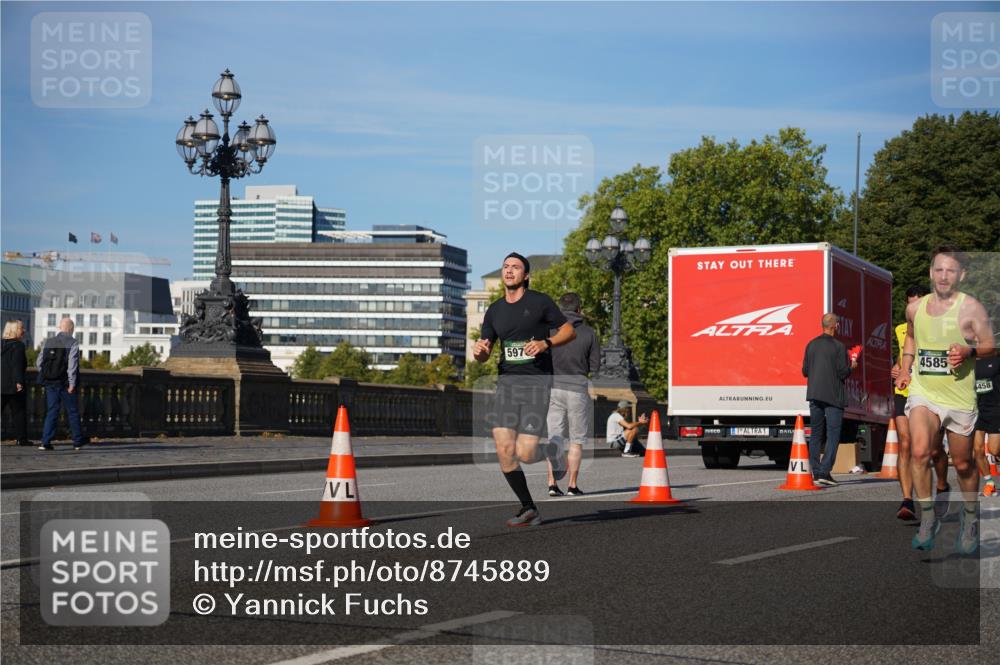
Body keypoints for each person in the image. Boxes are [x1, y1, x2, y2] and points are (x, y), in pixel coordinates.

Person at [896, 246, 995, 553]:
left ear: (961, 275)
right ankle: (928, 518)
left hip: (959, 396)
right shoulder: (915, 309)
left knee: (964, 463)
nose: (943, 276)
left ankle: (970, 517)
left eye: (950, 270)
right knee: (920, 451)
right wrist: (906, 367)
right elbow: (911, 337)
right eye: (938, 269)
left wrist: (969, 351)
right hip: (924, 392)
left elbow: (990, 345)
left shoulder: (972, 309)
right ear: (931, 272)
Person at [474, 253, 575, 527]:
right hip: (507, 384)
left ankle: (553, 451)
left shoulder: (540, 302)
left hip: (536, 383)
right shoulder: (495, 310)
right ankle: (529, 508)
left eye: (515, 267)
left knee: (527, 453)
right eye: (505, 266)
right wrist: (479, 351)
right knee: (504, 449)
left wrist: (546, 343)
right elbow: (484, 352)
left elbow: (569, 331)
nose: (509, 271)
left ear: (526, 275)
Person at [891, 285, 951, 520]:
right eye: (910, 304)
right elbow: (903, 355)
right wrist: (898, 368)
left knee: (934, 449)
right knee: (905, 443)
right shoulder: (901, 329)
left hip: (933, 392)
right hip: (905, 390)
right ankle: (907, 500)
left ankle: (942, 486)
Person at [544, 292, 600, 497]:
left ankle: (552, 484)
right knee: (576, 439)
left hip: (553, 388)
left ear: (560, 310)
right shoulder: (589, 333)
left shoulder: (550, 331)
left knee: (554, 437)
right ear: (579, 309)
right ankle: (572, 486)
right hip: (577, 388)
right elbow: (595, 366)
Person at [802, 312, 857, 486]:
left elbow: (805, 371)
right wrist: (852, 366)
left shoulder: (811, 344)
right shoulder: (839, 347)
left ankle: (816, 472)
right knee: (833, 434)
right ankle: (825, 472)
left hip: (814, 394)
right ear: (835, 326)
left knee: (816, 434)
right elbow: (842, 372)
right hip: (833, 395)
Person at [36, 317, 85, 451]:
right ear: (71, 329)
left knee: (52, 411)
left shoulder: (49, 341)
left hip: (50, 383)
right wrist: (72, 384)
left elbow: (39, 362)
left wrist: (48, 374)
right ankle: (77, 442)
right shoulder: (73, 342)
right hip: (65, 383)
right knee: (72, 412)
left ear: (60, 328)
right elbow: (72, 366)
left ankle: (45, 442)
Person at [974, 312, 1000, 496]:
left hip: (995, 409)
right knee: (976, 450)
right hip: (976, 410)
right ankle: (989, 483)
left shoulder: (996, 358)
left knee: (994, 449)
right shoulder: (970, 361)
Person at [1, 320, 31, 446]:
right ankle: (21, 439)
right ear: (15, 330)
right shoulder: (18, 346)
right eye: (21, 328)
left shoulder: (2, 344)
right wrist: (19, 382)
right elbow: (17, 365)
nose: (24, 330)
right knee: (19, 412)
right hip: (12, 385)